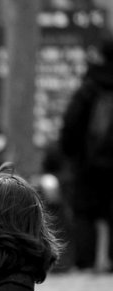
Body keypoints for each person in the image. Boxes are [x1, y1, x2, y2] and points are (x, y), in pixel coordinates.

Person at [60, 36, 113, 271]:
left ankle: (86, 264)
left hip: (88, 165)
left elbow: (70, 127)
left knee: (84, 214)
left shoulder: (89, 87)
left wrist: (71, 155)